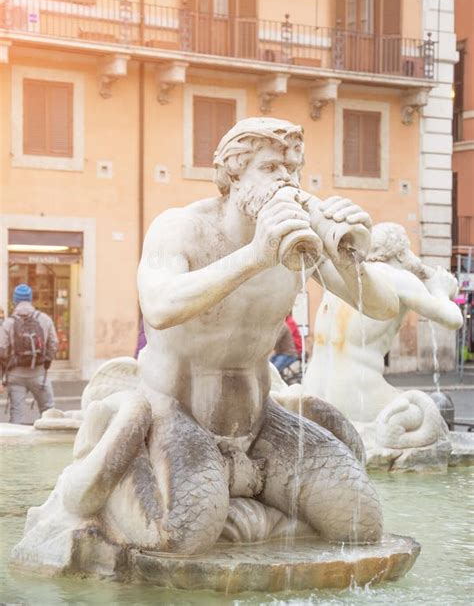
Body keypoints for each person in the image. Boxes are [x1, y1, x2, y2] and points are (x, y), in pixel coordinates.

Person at [38, 117, 399, 554]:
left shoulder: (300, 236)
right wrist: (254, 255)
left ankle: (256, 500)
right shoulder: (181, 228)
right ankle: (124, 477)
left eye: (293, 169)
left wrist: (349, 257)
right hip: (175, 414)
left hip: (257, 420)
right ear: (233, 173)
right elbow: (159, 305)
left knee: (360, 519)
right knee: (184, 535)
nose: (286, 180)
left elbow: (382, 306)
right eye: (270, 168)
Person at [303, 222, 463, 423]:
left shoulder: (344, 280)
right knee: (426, 416)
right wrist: (441, 289)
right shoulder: (398, 278)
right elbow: (453, 319)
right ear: (402, 254)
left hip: (313, 393)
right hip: (358, 397)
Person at [0, 284, 58, 424]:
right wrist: (46, 363)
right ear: (31, 299)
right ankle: (49, 444)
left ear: (15, 301)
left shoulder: (8, 323)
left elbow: (2, 350)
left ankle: (16, 445)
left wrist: (3, 375)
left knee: (17, 415)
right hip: (39, 375)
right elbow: (53, 344)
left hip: (15, 376)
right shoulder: (44, 319)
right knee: (48, 411)